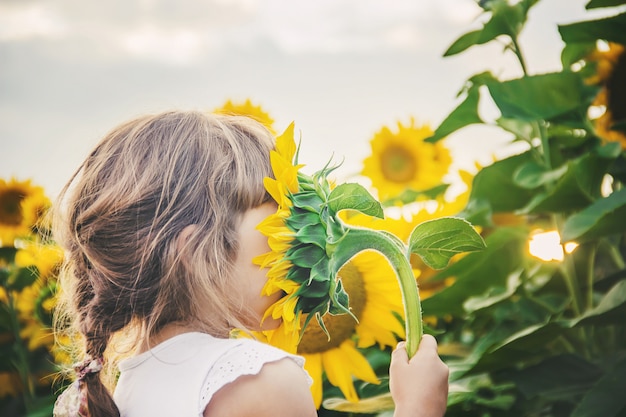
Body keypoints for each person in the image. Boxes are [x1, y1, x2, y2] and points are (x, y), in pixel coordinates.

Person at [51, 110, 449, 417]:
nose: (292, 240)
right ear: (195, 256)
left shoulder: (131, 384)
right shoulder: (257, 378)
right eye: (276, 220)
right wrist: (418, 408)